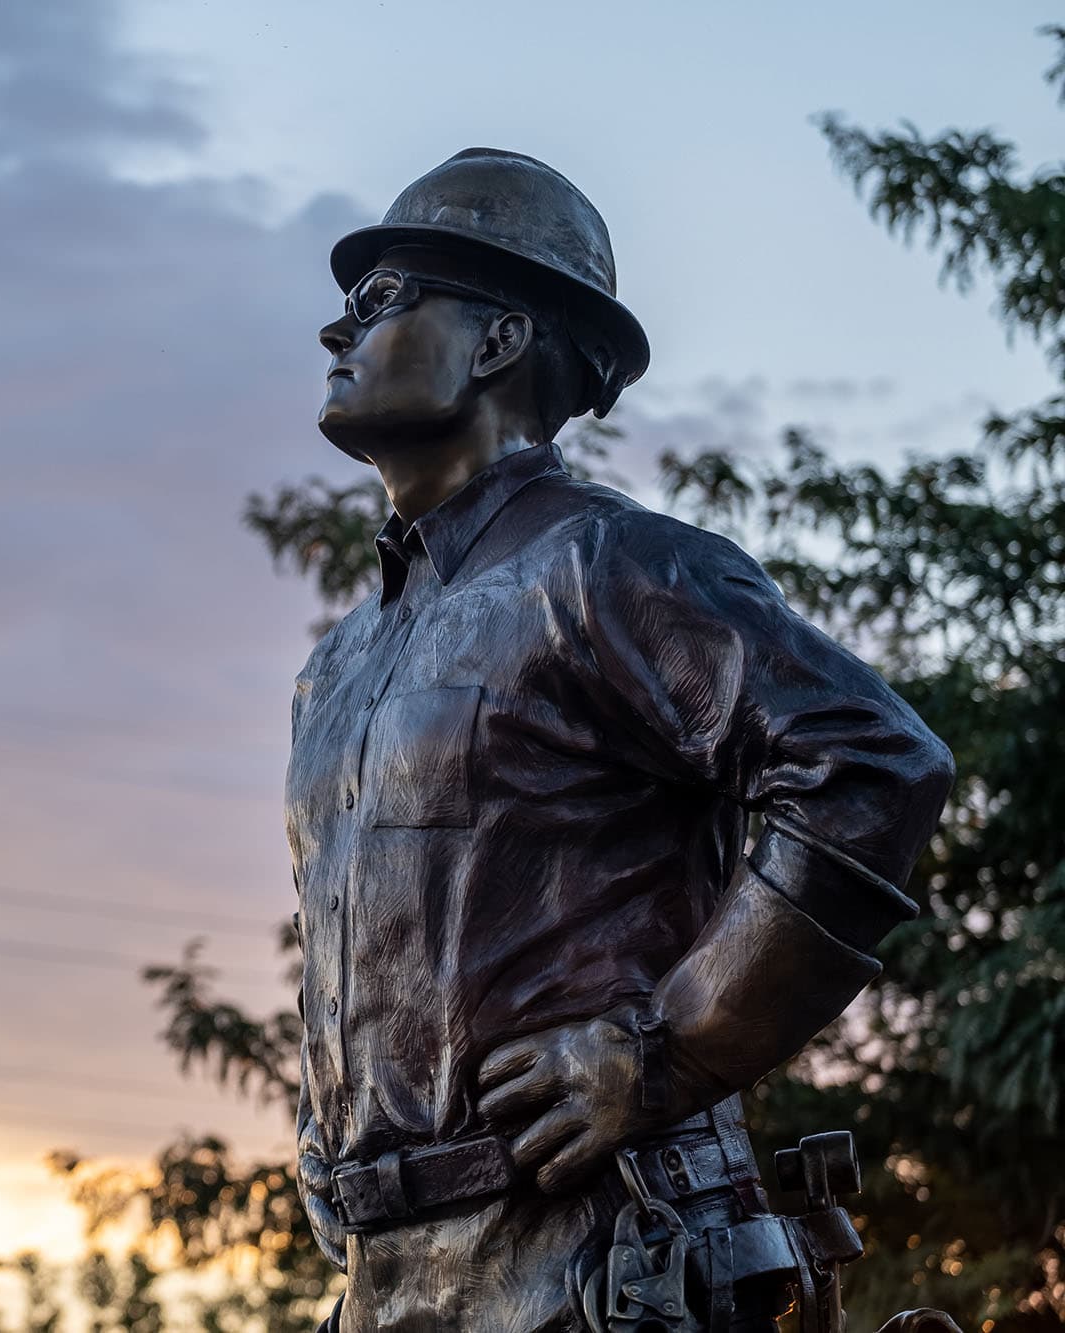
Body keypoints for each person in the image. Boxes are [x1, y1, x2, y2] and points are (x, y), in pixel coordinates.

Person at [288, 148, 956, 1332]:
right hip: (390, 1281)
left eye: (381, 298)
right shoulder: (334, 669)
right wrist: (330, 1128)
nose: (334, 331)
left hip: (603, 1259)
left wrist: (667, 1048)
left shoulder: (606, 565)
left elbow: (867, 762)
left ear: (497, 341)